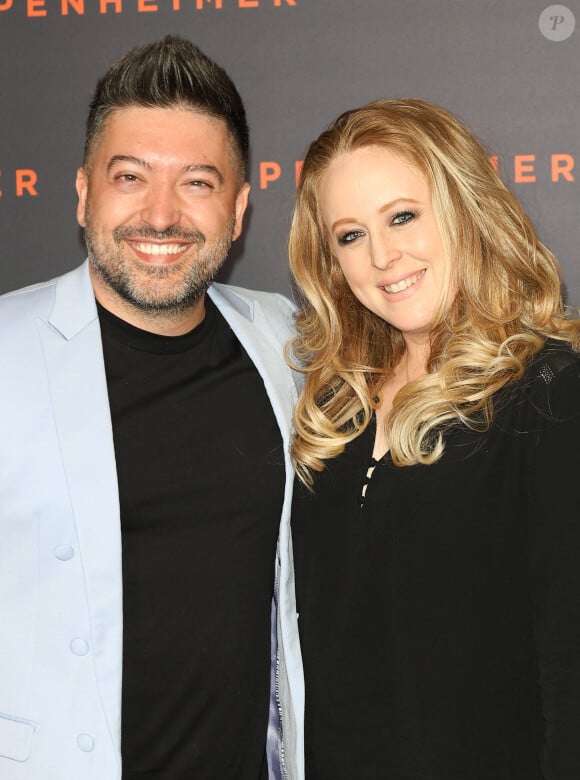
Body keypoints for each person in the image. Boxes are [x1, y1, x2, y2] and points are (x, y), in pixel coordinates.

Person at [0, 36, 304, 780]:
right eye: (130, 177)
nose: (161, 216)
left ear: (238, 210)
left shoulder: (289, 341)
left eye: (198, 183)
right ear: (81, 193)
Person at [288, 98, 580, 779]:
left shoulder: (549, 393)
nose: (383, 256)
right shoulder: (335, 408)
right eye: (350, 236)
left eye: (402, 216)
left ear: (464, 210)